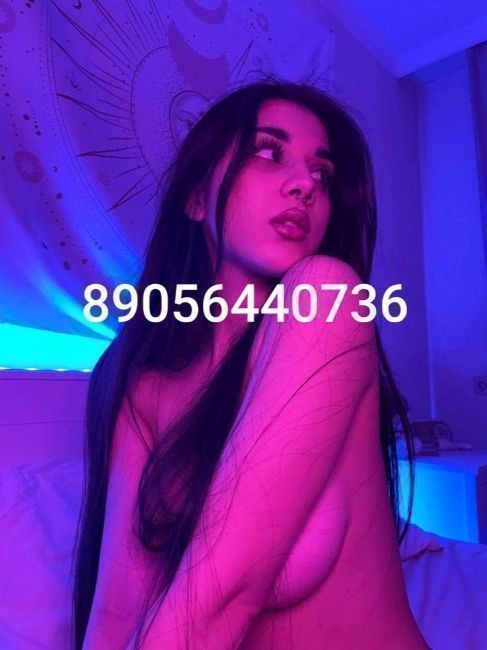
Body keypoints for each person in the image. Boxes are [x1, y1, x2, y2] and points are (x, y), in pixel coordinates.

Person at [72, 80, 428, 649]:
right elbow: (118, 613)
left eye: (323, 174)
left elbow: (216, 601)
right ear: (195, 199)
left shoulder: (328, 301)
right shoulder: (142, 385)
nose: (305, 184)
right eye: (269, 151)